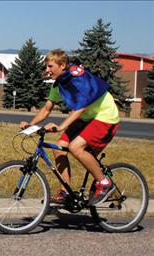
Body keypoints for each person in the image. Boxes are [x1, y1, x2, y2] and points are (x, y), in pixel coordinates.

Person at [20, 49, 119, 206]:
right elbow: (47, 109)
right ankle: (65, 193)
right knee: (58, 148)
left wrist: (60, 127)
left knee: (75, 147)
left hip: (104, 116)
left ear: (62, 65)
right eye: (46, 66)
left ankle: (104, 183)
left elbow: (81, 107)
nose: (47, 70)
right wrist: (30, 125)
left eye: (50, 66)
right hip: (85, 118)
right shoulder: (59, 84)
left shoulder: (77, 79)